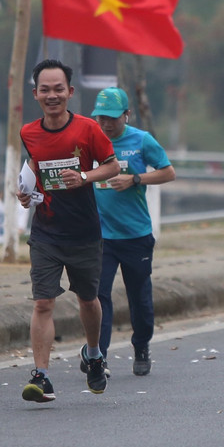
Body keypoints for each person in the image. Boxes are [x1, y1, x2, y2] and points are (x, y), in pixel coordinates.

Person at [15, 58, 121, 403]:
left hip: (84, 232)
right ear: (36, 94)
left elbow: (112, 166)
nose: (52, 95)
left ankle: (93, 355)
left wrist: (85, 177)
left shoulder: (89, 129)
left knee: (87, 299)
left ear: (70, 92)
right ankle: (41, 376)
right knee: (43, 301)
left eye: (58, 89)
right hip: (46, 231)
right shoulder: (28, 132)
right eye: (45, 90)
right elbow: (34, 165)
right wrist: (25, 191)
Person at [89, 87, 177, 378]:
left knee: (139, 297)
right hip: (100, 236)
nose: (106, 124)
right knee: (98, 296)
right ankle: (97, 356)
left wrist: (135, 179)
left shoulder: (141, 140)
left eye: (113, 118)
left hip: (135, 235)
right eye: (101, 117)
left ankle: (141, 346)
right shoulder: (90, 140)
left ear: (127, 114)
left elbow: (167, 172)